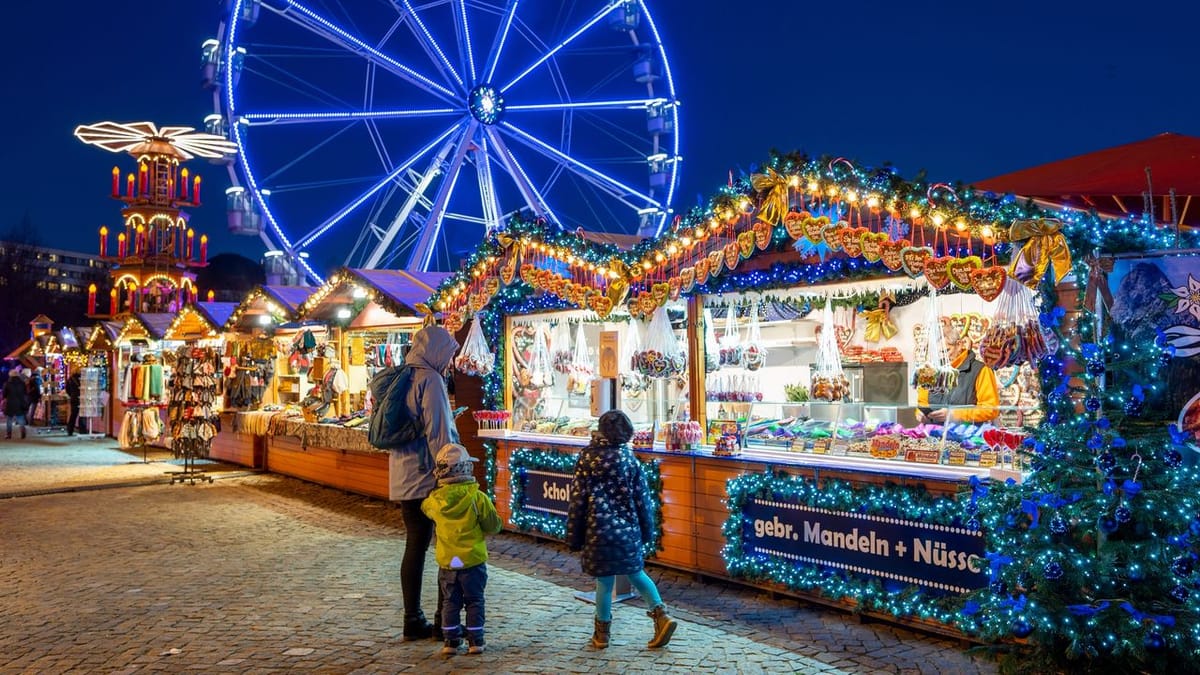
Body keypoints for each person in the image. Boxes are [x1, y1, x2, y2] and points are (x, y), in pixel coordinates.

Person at [566, 409, 677, 650]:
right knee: (636, 573)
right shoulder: (629, 459)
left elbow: (577, 500)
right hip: (627, 530)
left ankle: (601, 635)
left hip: (598, 531)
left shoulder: (587, 459)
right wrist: (647, 531)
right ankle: (661, 615)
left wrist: (573, 535)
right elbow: (642, 500)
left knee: (604, 582)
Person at [387, 325, 462, 640]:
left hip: (403, 476)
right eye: (448, 354)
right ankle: (445, 621)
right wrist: (450, 472)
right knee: (449, 545)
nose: (449, 361)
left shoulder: (402, 376)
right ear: (437, 351)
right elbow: (438, 432)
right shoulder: (429, 379)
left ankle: (412, 619)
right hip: (429, 476)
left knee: (415, 546)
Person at [421, 443, 502, 656]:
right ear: (467, 468)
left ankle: (451, 640)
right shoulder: (477, 497)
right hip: (472, 560)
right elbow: (493, 525)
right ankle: (476, 640)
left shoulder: (435, 501)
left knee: (450, 601)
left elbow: (425, 508)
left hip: (449, 561)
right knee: (474, 600)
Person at [917, 334, 999, 424]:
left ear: (959, 345)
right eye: (938, 353)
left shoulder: (982, 370)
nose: (942, 356)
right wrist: (920, 414)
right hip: (934, 431)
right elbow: (922, 403)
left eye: (946, 350)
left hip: (968, 432)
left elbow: (991, 409)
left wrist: (955, 415)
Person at [4, 369, 29, 439]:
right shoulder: (22, 383)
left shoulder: (7, 384)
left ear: (10, 375)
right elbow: (25, 393)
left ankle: (9, 434)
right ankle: (23, 431)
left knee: (9, 419)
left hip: (10, 403)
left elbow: (4, 394)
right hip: (20, 402)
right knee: (20, 417)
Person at [65, 371, 82, 436]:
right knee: (82, 415)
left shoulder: (70, 379)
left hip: (73, 398)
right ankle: (82, 430)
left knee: (73, 415)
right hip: (81, 397)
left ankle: (70, 430)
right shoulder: (82, 378)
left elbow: (67, 389)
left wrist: (71, 395)